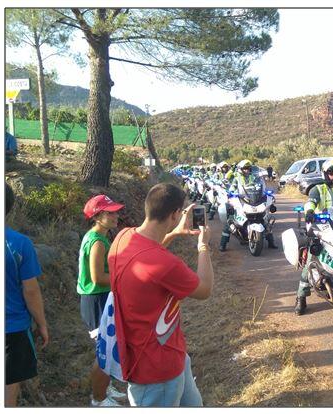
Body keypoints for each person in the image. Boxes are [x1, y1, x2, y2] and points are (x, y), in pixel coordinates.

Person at [108, 183, 214, 407]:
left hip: (171, 356)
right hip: (156, 370)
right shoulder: (165, 264)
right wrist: (203, 246)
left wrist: (174, 232)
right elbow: (204, 289)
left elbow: (149, 251)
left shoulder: (123, 238)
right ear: (176, 214)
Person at [78, 195, 128, 406]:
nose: (116, 216)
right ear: (97, 216)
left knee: (107, 348)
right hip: (96, 300)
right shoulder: (97, 241)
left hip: (99, 298)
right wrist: (126, 277)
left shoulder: (100, 237)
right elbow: (97, 278)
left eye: (116, 211)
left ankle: (105, 389)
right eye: (110, 212)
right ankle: (98, 399)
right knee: (103, 353)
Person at [5, 183, 49, 407]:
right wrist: (41, 324)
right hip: (12, 329)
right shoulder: (19, 244)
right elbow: (30, 290)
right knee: (8, 384)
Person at [294, 157, 333, 315]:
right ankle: (301, 296)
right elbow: (311, 202)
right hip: (321, 228)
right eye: (331, 173)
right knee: (311, 258)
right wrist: (310, 211)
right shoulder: (318, 189)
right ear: (325, 174)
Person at [220, 160, 277, 251]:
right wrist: (231, 193)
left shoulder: (253, 177)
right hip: (242, 199)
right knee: (230, 222)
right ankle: (222, 244)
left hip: (252, 198)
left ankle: (271, 242)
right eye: (245, 169)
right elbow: (232, 188)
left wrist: (265, 192)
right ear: (240, 169)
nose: (247, 170)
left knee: (265, 220)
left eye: (248, 168)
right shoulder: (237, 178)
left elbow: (260, 185)